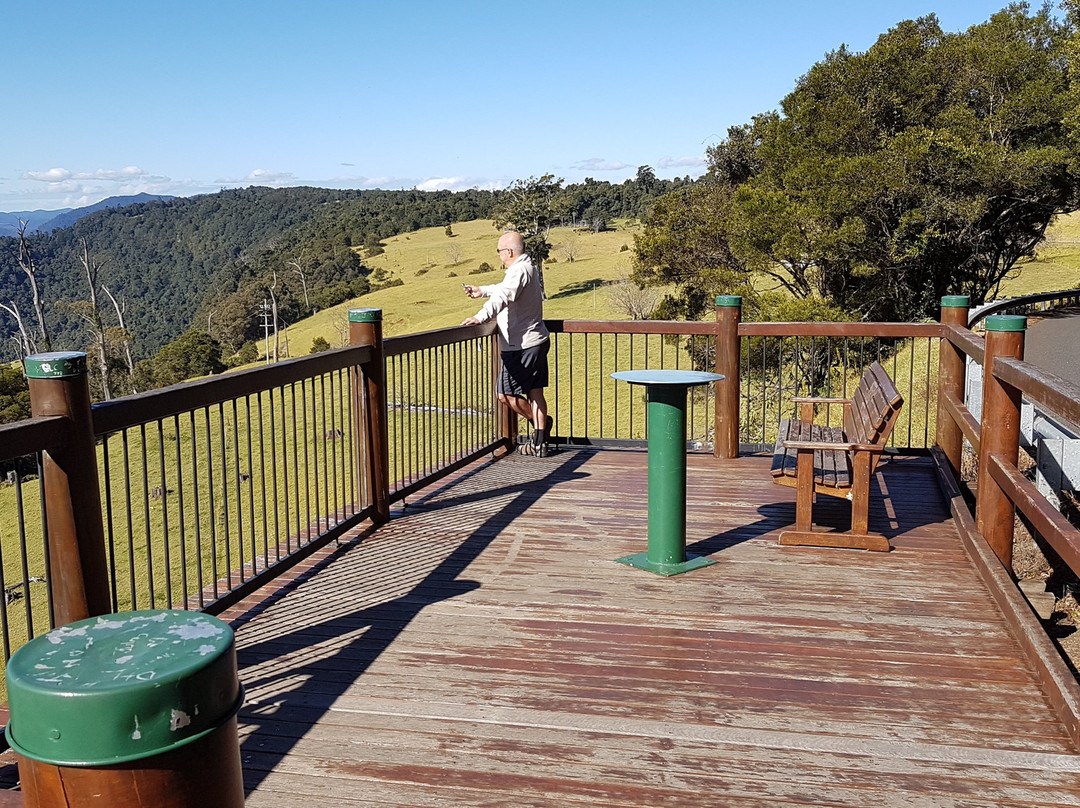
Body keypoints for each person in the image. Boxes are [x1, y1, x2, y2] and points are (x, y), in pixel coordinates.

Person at [461, 231, 553, 456]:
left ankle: (541, 427)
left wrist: (480, 317)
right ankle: (540, 441)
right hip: (536, 341)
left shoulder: (519, 270)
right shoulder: (527, 268)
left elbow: (502, 297)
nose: (498, 255)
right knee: (535, 392)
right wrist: (482, 290)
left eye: (499, 251)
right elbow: (505, 289)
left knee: (505, 394)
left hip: (521, 346)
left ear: (509, 251)